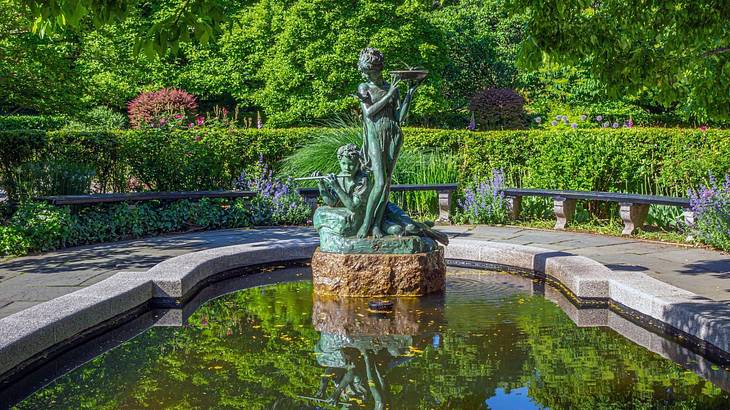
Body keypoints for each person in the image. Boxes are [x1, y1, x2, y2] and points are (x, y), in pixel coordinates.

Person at [356, 47, 421, 238]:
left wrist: (409, 94)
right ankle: (366, 224)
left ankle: (376, 224)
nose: (370, 75)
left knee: (387, 184)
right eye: (367, 71)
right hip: (375, 135)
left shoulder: (390, 87)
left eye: (373, 70)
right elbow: (369, 112)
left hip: (393, 133)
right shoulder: (364, 88)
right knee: (380, 181)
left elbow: (399, 116)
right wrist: (389, 95)